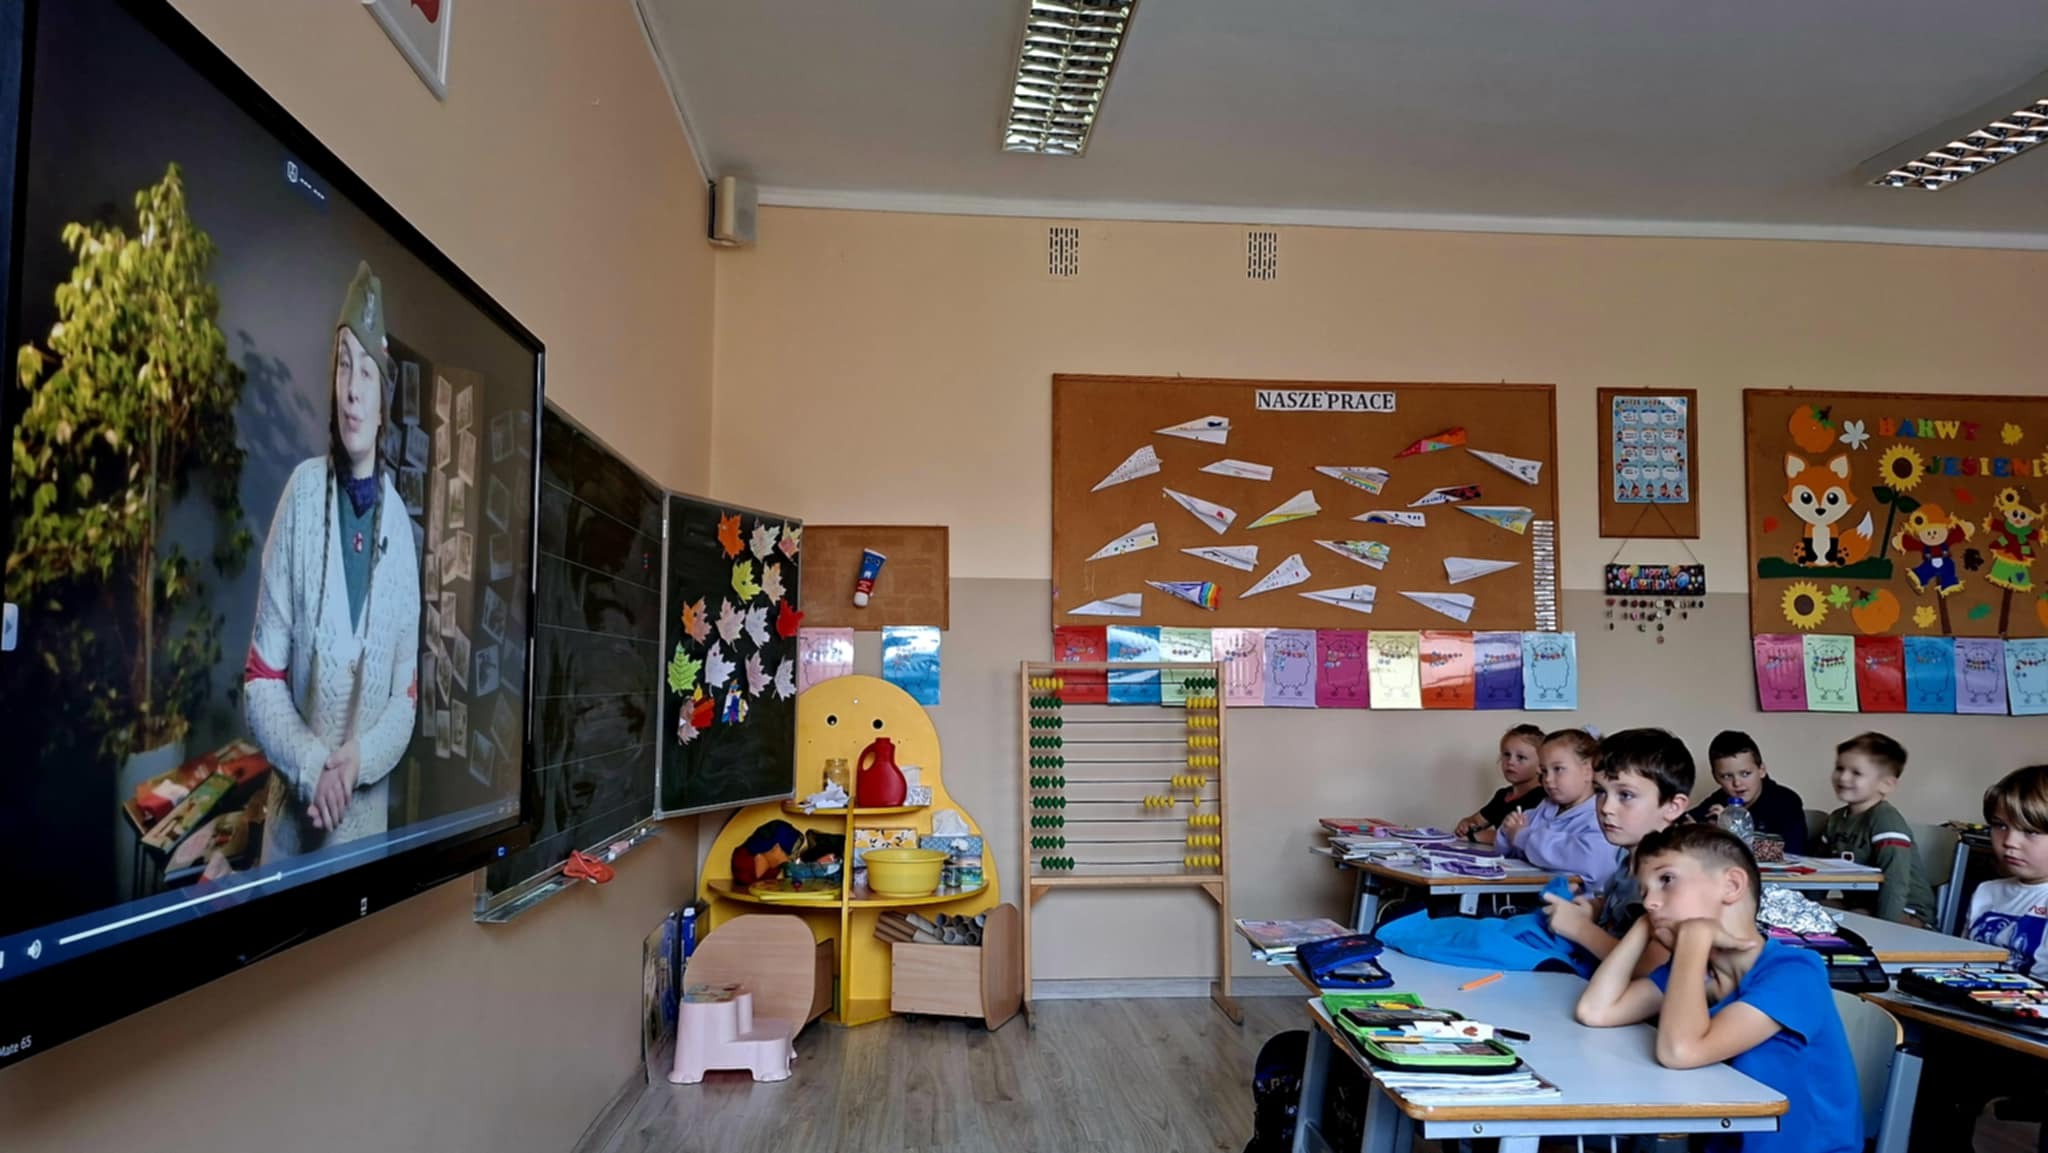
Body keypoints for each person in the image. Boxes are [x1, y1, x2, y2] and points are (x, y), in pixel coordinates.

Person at [245, 261, 421, 862]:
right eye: (344, 365)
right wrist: (314, 766)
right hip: (289, 842)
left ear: (382, 402)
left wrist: (355, 764)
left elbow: (405, 698)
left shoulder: (401, 532)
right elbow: (261, 679)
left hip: (363, 848)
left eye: (366, 372)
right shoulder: (299, 496)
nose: (352, 390)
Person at [1574, 824, 1861, 1153]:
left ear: (1732, 885)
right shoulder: (1697, 971)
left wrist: (1695, 937)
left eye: (1666, 880)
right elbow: (1596, 1011)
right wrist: (1643, 927)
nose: (1650, 901)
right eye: (1644, 891)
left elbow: (1680, 1051)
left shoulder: (1795, 973)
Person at [1914, 764, 2048, 1145]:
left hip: (2032, 1036)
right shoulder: (1988, 891)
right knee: (1919, 1059)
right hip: (1980, 1022)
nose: (2010, 841)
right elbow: (1964, 962)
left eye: (2030, 831)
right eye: (2000, 825)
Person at [1544, 727, 1694, 973]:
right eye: (1601, 792)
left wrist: (1581, 929)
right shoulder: (1628, 856)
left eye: (1625, 795)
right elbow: (1621, 907)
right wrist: (1593, 908)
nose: (1606, 808)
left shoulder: (1672, 880)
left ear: (1672, 807)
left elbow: (1652, 970)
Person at [1814, 732, 1935, 925]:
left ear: (1886, 784)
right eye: (1839, 768)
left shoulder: (1885, 819)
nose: (1843, 777)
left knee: (1850, 921)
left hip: (1905, 911)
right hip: (1860, 905)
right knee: (1813, 912)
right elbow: (1819, 871)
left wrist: (1884, 926)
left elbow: (1895, 882)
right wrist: (1809, 907)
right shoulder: (1836, 819)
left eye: (1856, 773)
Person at [1498, 729, 1615, 887]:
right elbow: (1509, 853)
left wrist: (1522, 836)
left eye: (1558, 769)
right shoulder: (1543, 808)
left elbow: (1582, 859)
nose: (1547, 779)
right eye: (1544, 771)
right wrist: (1507, 831)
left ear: (1588, 771)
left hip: (1573, 901)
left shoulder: (1600, 817)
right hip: (1527, 893)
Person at [1686, 730, 1807, 855]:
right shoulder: (1720, 798)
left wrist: (1729, 835)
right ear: (1716, 777)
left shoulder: (1786, 801)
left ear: (1761, 770)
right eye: (1726, 776)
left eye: (1745, 774)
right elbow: (1685, 823)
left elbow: (1792, 852)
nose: (1737, 783)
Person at [1453, 724, 1545, 844]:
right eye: (1506, 755)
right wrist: (1466, 824)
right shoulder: (1503, 795)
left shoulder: (1543, 798)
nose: (1510, 762)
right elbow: (1476, 821)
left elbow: (1522, 836)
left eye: (1521, 757)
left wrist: (1478, 836)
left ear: (1541, 765)